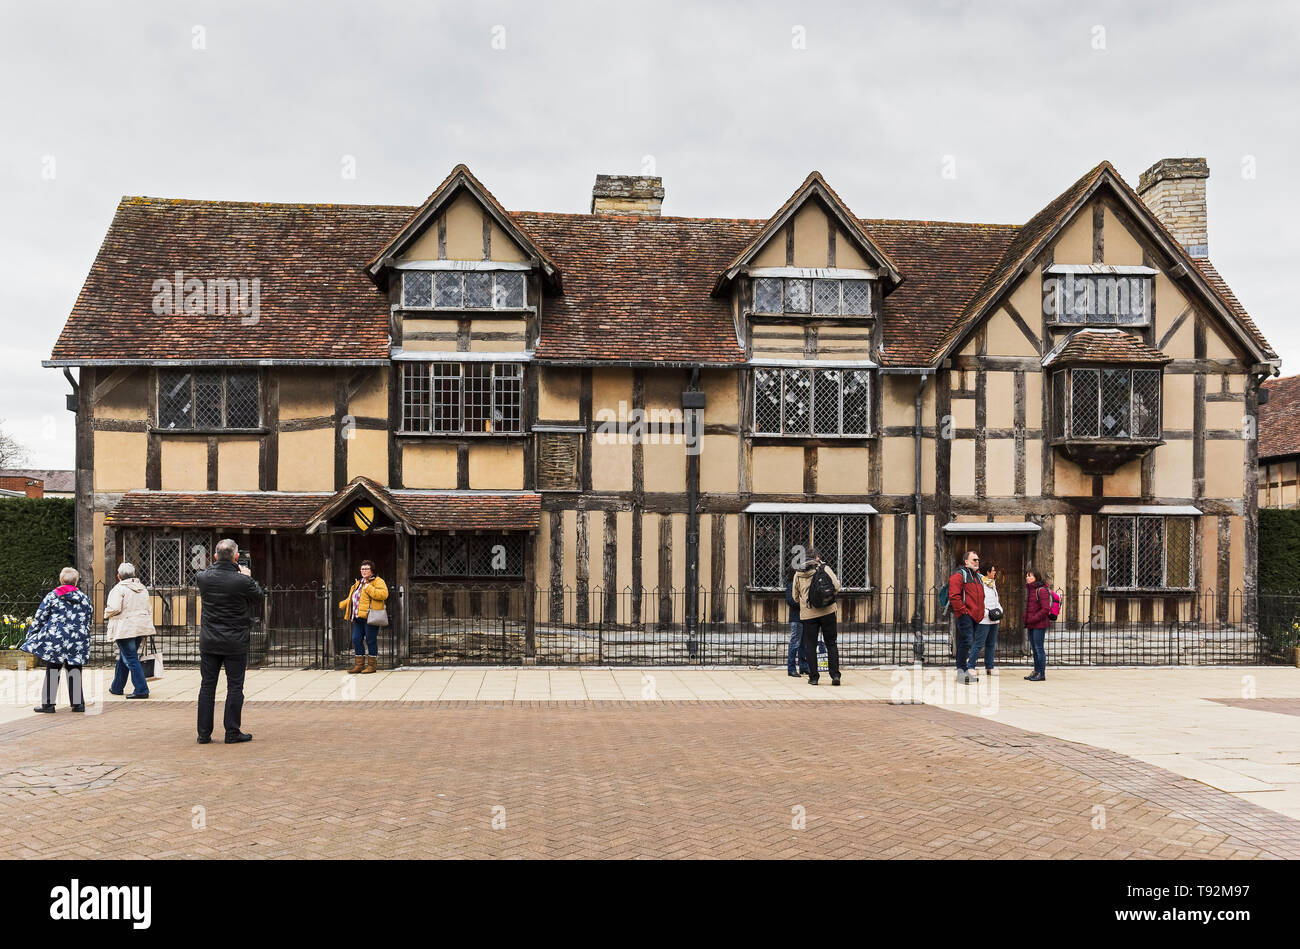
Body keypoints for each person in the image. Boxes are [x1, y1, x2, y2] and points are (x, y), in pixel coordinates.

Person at [195, 539, 262, 744]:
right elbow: (258, 596)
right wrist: (249, 576)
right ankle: (232, 731)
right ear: (236, 557)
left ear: (214, 556)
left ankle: (204, 733)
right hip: (235, 641)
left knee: (207, 686)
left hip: (210, 640)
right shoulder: (242, 581)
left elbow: (208, 575)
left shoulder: (203, 578)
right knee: (235, 686)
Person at [21, 567, 92, 713]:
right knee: (75, 669)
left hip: (56, 639)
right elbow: (89, 617)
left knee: (53, 668)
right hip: (77, 639)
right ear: (76, 581)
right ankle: (78, 704)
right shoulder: (84, 598)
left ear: (61, 580)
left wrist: (32, 635)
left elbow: (40, 617)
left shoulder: (53, 596)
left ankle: (48, 705)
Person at [104, 562, 154, 699]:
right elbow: (148, 608)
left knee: (130, 658)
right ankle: (117, 687)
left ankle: (141, 689)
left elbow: (114, 607)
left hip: (125, 628)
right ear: (133, 575)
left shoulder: (119, 589)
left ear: (118, 576)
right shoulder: (142, 588)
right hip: (140, 627)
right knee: (125, 657)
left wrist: (106, 613)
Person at [793, 549, 841, 686]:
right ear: (817, 557)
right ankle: (835, 675)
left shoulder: (798, 573)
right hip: (828, 611)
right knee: (831, 643)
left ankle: (814, 677)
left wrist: (805, 601)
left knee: (810, 646)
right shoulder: (824, 568)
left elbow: (794, 597)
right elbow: (836, 586)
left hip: (808, 615)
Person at [339, 560, 388, 675]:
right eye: (362, 569)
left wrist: (369, 588)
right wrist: (344, 604)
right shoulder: (358, 583)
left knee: (370, 640)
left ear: (372, 571)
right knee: (356, 639)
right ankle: (359, 665)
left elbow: (384, 594)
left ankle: (372, 665)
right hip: (358, 617)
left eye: (366, 569)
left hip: (370, 616)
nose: (364, 571)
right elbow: (353, 597)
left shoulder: (377, 581)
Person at [947, 550, 985, 683]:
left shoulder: (978, 577)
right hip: (966, 615)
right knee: (966, 641)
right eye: (974, 559)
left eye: (978, 560)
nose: (977, 562)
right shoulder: (959, 576)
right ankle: (961, 673)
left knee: (967, 642)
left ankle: (964, 672)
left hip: (975, 616)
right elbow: (954, 596)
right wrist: (963, 611)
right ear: (966, 562)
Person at [968, 563, 1002, 677]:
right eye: (993, 570)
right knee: (978, 643)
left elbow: (996, 600)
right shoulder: (980, 584)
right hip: (984, 619)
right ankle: (971, 666)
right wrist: (988, 613)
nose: (995, 572)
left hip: (994, 619)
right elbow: (978, 602)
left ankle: (990, 667)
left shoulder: (992, 584)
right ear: (987, 572)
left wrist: (999, 610)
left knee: (991, 644)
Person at [1023, 568, 1052, 681]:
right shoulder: (1031, 590)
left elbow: (1045, 609)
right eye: (1027, 575)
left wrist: (1033, 618)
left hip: (1039, 624)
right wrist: (1026, 618)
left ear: (1036, 578)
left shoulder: (1041, 590)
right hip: (1032, 623)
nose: (1027, 577)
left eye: (1030, 576)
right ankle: (1036, 671)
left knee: (1039, 648)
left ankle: (1041, 674)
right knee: (1034, 649)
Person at [785, 568, 809, 677]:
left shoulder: (801, 583)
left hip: (805, 616)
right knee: (795, 643)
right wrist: (803, 602)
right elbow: (791, 600)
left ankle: (803, 666)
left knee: (804, 643)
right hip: (796, 617)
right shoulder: (791, 584)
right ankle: (791, 668)